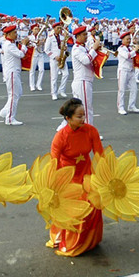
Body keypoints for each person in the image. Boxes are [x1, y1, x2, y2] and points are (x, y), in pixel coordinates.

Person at [48, 98, 104, 256]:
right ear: (68, 118)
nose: (83, 119)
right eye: (79, 116)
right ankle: (69, 241)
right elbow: (54, 162)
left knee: (94, 203)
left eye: (84, 115)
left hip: (87, 174)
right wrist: (55, 185)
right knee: (75, 209)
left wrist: (106, 174)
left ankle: (89, 241)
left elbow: (100, 154)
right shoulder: (60, 137)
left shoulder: (91, 131)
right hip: (68, 178)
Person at [70, 25, 102, 125]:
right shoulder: (77, 49)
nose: (86, 37)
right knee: (87, 109)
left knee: (78, 108)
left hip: (83, 81)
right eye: (84, 35)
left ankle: (64, 128)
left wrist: (97, 51)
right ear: (78, 36)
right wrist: (94, 49)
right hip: (82, 81)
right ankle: (89, 133)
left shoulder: (82, 47)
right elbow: (86, 60)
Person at [0, 24, 28, 125]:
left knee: (18, 93)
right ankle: (10, 118)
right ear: (9, 34)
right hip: (12, 72)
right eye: (14, 33)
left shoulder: (11, 43)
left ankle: (5, 111)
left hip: (14, 71)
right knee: (13, 95)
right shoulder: (9, 45)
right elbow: (21, 54)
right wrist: (24, 45)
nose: (16, 34)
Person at [115, 31, 139, 115]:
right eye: (127, 39)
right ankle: (121, 107)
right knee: (122, 90)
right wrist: (135, 50)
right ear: (122, 40)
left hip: (131, 71)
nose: (128, 41)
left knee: (134, 89)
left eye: (129, 39)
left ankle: (131, 105)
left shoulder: (130, 48)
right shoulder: (120, 49)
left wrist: (138, 49)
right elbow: (127, 56)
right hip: (123, 71)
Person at [44, 22, 69, 101]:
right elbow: (46, 50)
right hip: (54, 59)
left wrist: (65, 48)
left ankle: (61, 90)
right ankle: (53, 93)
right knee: (54, 77)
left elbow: (65, 46)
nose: (59, 30)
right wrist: (54, 57)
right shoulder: (50, 38)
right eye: (57, 28)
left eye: (60, 28)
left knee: (66, 74)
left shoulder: (62, 37)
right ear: (54, 29)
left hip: (62, 58)